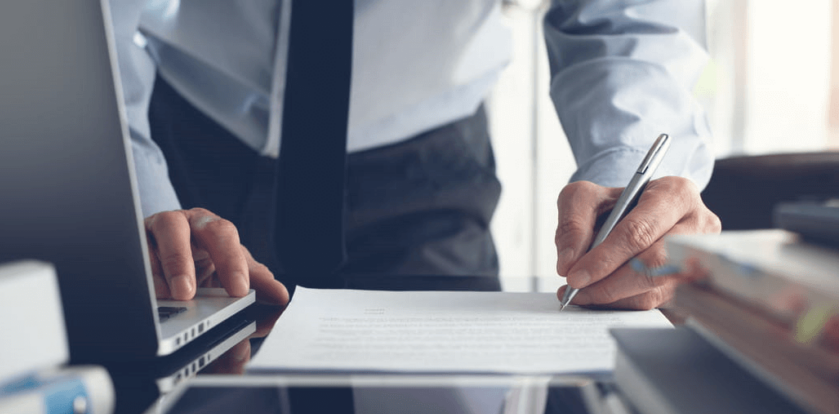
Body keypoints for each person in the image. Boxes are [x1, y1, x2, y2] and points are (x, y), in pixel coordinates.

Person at [108, 0, 721, 310]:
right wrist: (126, 186)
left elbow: (623, 17)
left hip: (428, 174)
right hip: (179, 159)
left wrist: (631, 184)